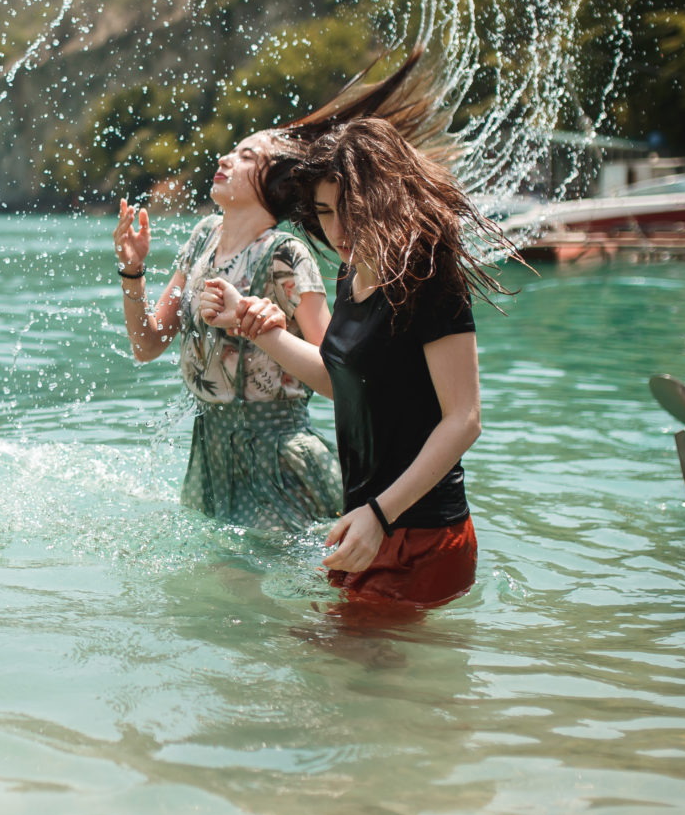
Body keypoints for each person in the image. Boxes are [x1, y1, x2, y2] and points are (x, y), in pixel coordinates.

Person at [202, 47, 503, 607]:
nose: (336, 228)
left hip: (422, 536)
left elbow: (465, 419)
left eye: (349, 208)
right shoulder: (348, 274)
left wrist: (380, 515)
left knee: (335, 677)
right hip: (366, 527)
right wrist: (258, 327)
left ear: (382, 199)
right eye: (323, 210)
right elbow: (341, 381)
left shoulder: (428, 276)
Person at [112, 133, 342, 532]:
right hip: (209, 455)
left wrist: (255, 327)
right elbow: (147, 346)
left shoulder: (286, 255)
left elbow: (337, 378)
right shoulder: (205, 235)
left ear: (275, 185)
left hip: (277, 460)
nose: (225, 157)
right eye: (232, 149)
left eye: (246, 156)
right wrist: (133, 272)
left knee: (261, 585)